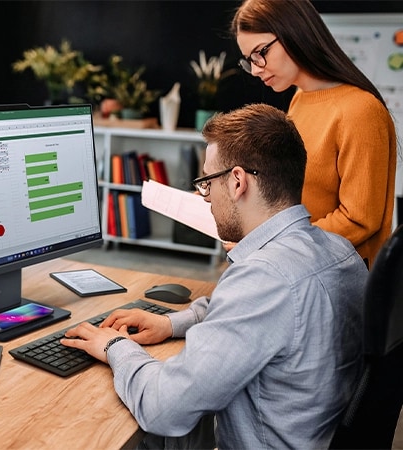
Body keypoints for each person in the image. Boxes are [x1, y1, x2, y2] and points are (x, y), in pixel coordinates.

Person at [61, 104, 369, 449]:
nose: (204, 197)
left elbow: (164, 409)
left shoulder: (264, 278)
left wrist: (115, 346)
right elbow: (264, 315)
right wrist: (173, 323)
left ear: (238, 181)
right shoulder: (340, 251)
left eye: (207, 182)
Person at [231, 0, 397, 268]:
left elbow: (359, 220)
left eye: (260, 53)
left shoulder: (360, 110)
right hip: (299, 266)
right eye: (249, 60)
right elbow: (300, 196)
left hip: (337, 280)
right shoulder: (300, 99)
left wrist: (274, 245)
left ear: (294, 32)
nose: (256, 69)